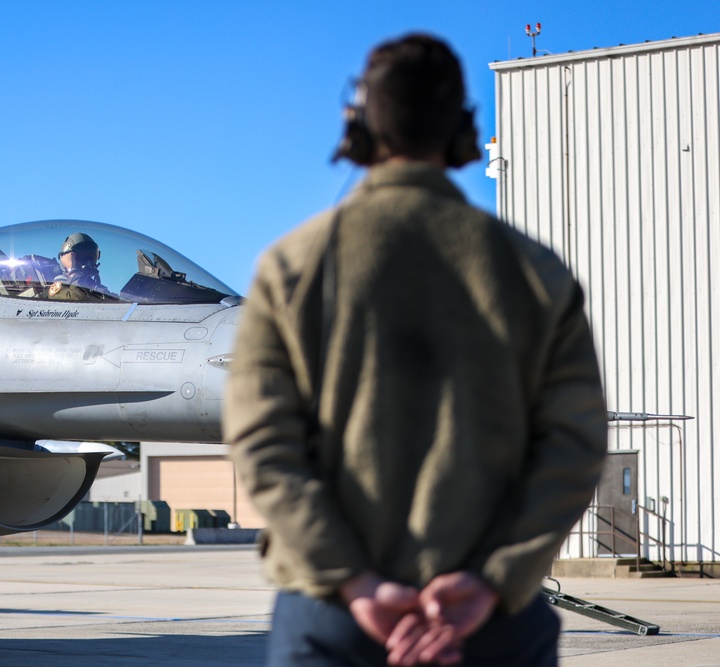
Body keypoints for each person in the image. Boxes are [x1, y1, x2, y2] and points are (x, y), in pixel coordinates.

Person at [223, 33, 607, 666]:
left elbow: (263, 442)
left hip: (336, 620)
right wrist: (492, 581)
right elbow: (575, 444)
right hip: (493, 625)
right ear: (461, 131)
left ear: (358, 127)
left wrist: (357, 581)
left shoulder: (292, 267)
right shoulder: (536, 273)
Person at [45, 232, 114, 301]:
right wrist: (72, 270)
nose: (88, 261)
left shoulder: (94, 287)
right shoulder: (59, 287)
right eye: (82, 257)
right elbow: (78, 299)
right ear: (67, 257)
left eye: (92, 257)